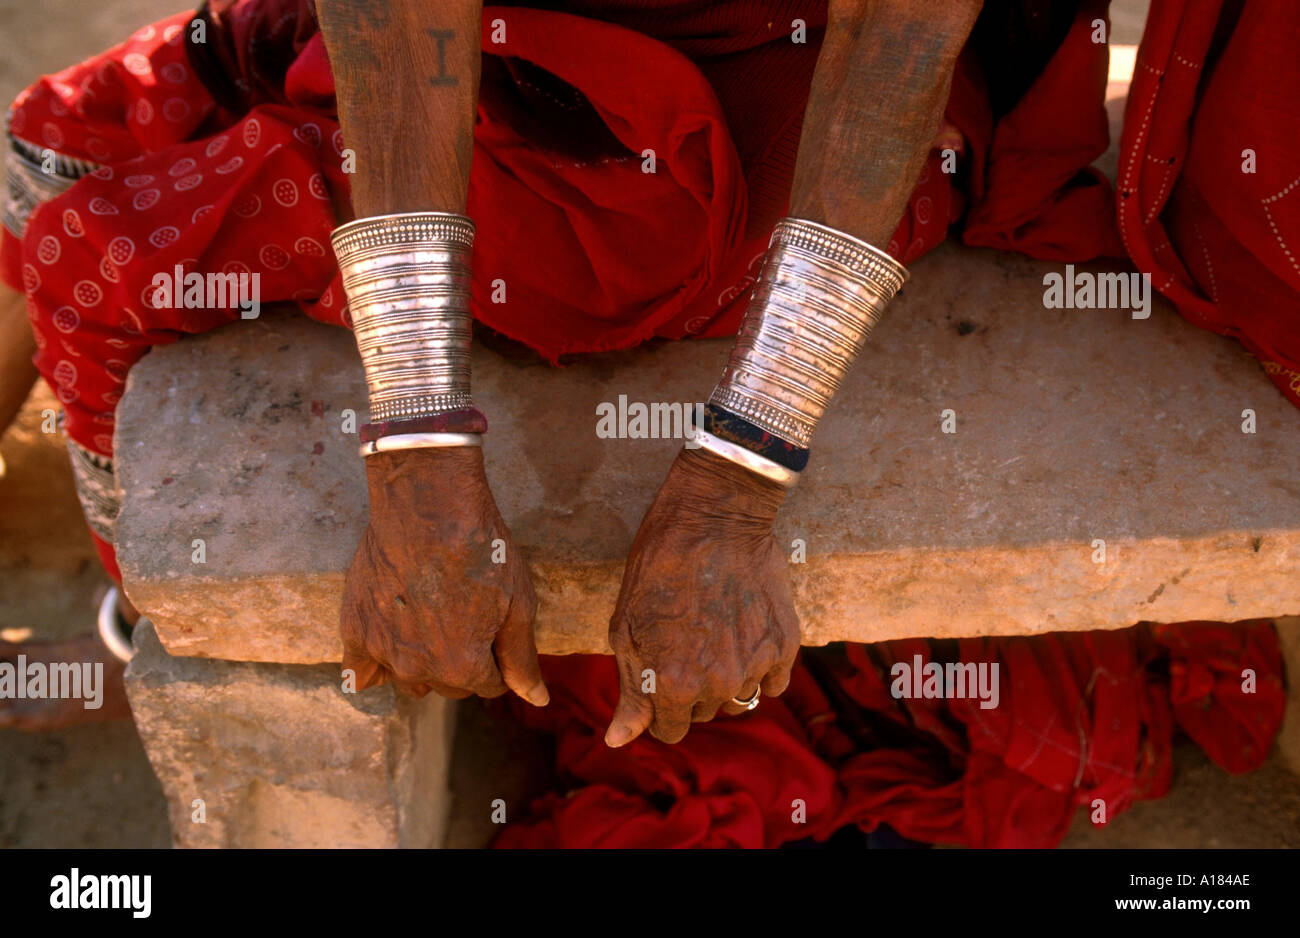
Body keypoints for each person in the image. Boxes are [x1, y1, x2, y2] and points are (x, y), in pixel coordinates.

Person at [2, 0, 1295, 749]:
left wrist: (742, 469)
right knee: (39, 151)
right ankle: (135, 629)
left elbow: (899, 42)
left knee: (81, 219)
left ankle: (128, 644)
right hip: (483, 42)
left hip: (713, 139)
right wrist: (418, 452)